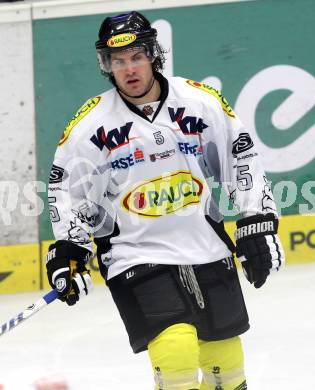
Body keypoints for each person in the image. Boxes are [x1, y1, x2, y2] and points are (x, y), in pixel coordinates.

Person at [46, 11, 285, 390]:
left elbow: (241, 159)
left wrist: (257, 222)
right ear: (106, 65)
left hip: (204, 244)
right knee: (175, 354)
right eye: (118, 61)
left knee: (227, 362)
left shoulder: (200, 102)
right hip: (134, 252)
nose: (128, 69)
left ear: (153, 55)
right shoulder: (90, 126)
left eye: (136, 57)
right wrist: (68, 249)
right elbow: (66, 190)